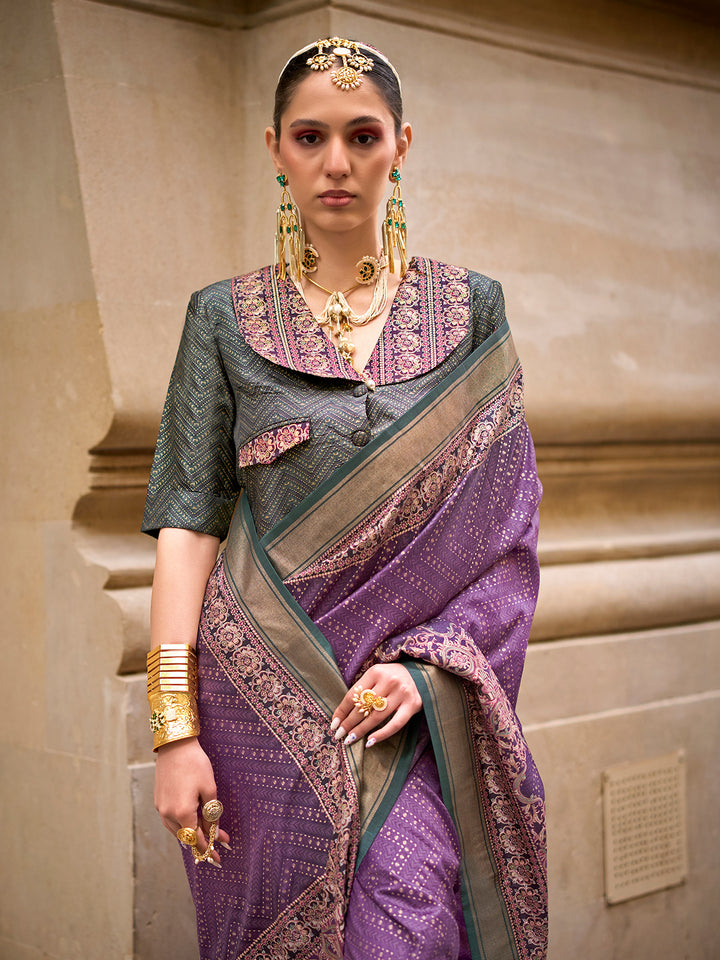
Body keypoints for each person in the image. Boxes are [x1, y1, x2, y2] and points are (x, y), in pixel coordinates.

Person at [142, 37, 547, 960]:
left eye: (362, 136)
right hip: (261, 710)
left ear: (402, 144)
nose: (337, 163)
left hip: (413, 713)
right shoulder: (222, 319)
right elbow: (187, 523)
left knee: (408, 931)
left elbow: (507, 536)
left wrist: (431, 671)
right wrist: (174, 732)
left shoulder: (469, 308)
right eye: (311, 136)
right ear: (275, 148)